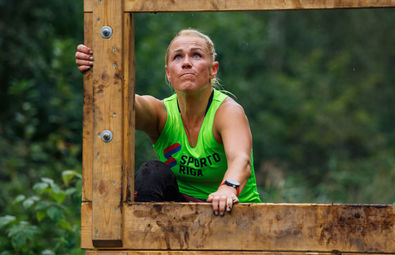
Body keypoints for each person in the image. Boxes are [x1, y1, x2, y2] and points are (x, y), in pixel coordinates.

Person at [75, 29, 261, 216]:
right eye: (178, 57)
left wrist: (227, 189)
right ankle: (143, 239)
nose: (186, 63)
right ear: (168, 73)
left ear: (213, 69)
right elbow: (124, 105)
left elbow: (241, 161)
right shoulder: (160, 113)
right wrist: (101, 71)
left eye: (196, 55)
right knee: (152, 172)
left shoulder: (227, 111)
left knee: (226, 202)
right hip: (182, 218)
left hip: (232, 214)